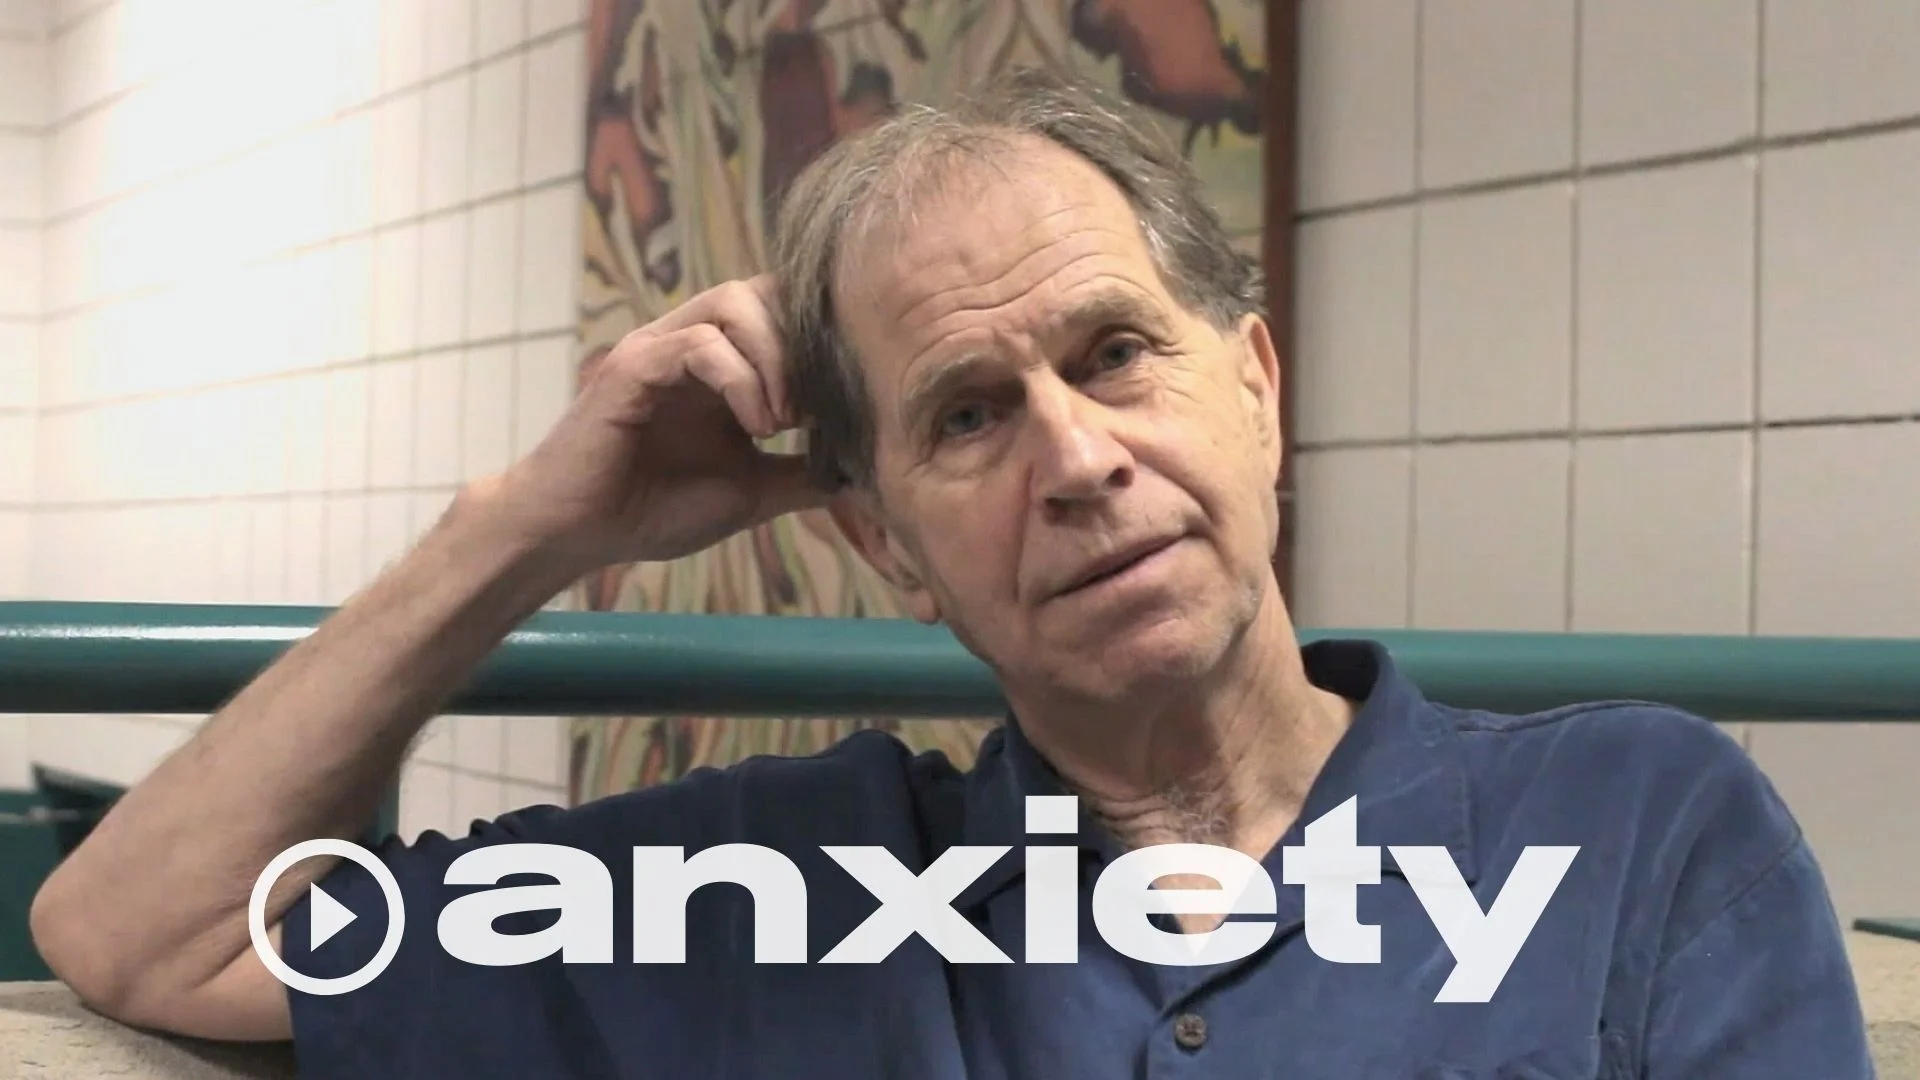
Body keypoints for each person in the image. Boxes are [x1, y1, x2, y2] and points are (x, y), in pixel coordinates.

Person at [29, 68, 1873, 1079]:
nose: (1077, 459)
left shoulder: (1635, 827)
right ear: (882, 541)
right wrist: (524, 528)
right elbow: (150, 934)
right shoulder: (765, 896)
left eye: (1118, 355)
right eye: (970, 415)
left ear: (1255, 389)